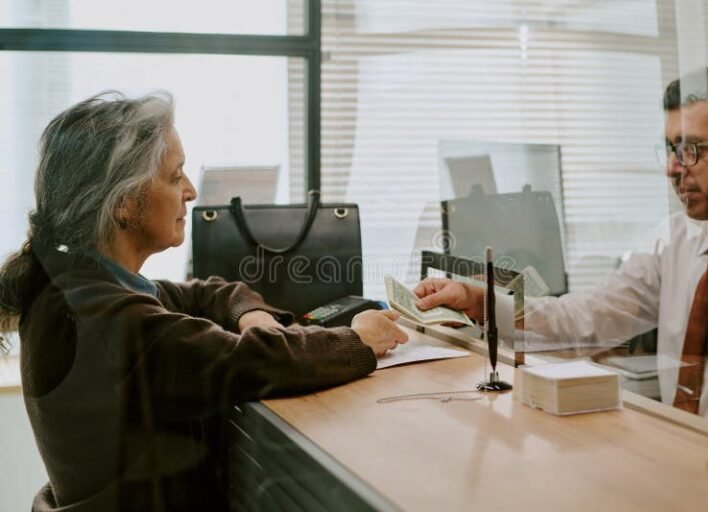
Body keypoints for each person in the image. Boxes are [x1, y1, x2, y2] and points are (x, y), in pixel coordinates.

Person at [0, 91, 408, 511]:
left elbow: (207, 292)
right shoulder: (103, 317)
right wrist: (358, 339)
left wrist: (250, 314)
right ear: (124, 203)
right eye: (175, 176)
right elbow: (250, 362)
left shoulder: (83, 286)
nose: (191, 191)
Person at [415, 67, 708, 436]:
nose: (672, 168)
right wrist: (480, 301)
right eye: (670, 149)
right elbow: (587, 320)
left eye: (692, 150)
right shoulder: (677, 238)